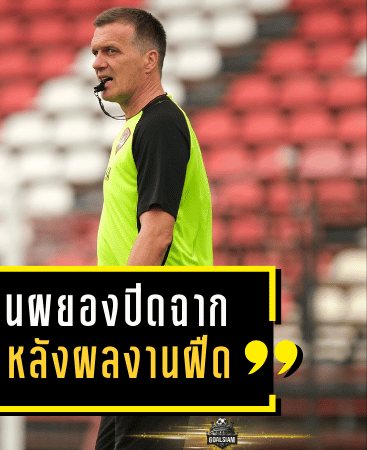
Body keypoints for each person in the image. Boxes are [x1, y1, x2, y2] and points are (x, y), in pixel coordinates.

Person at [90, 6, 213, 450]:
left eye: (111, 51)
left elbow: (158, 233)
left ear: (150, 60)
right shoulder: (138, 126)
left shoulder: (160, 123)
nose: (97, 63)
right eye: (95, 52)